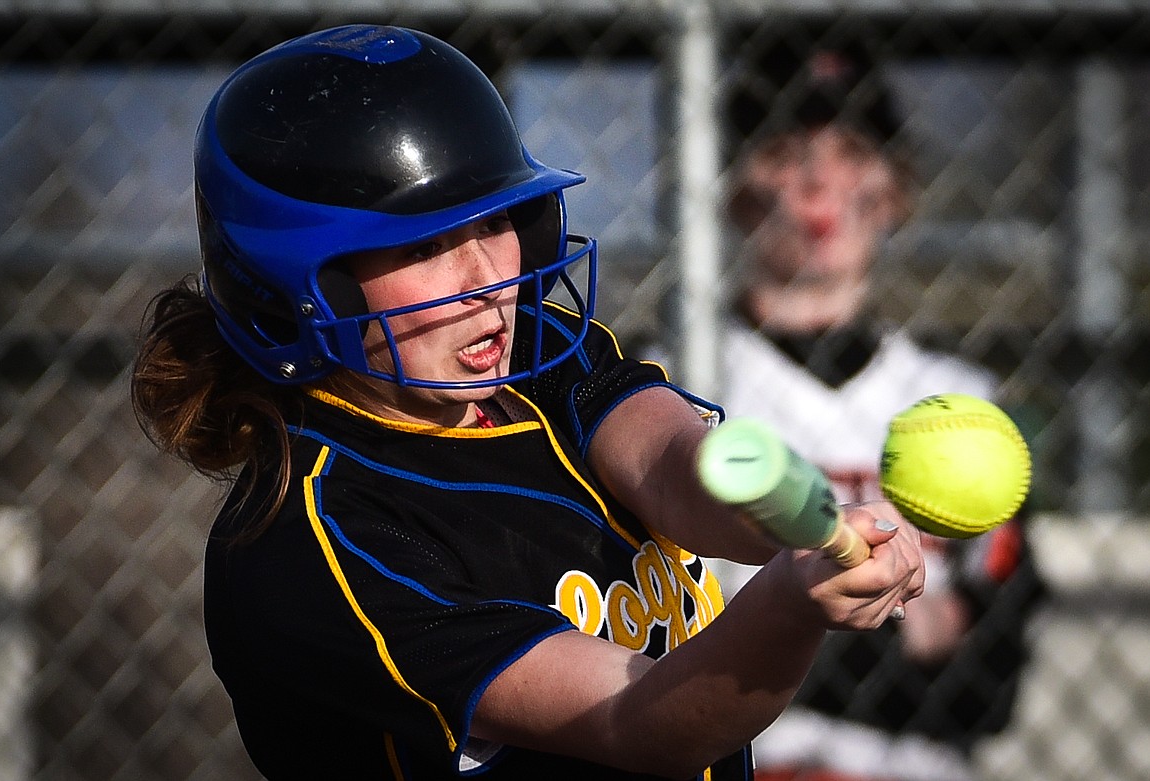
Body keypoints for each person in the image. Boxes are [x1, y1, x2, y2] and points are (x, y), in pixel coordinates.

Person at [129, 25, 923, 781]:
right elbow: (641, 724)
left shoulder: (536, 356)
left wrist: (801, 518)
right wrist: (792, 603)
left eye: (498, 222)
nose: (488, 280)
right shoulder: (316, 542)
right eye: (425, 247)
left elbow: (676, 473)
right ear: (298, 289)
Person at [709, 38, 1044, 781]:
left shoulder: (966, 401)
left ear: (895, 192)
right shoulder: (672, 387)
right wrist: (916, 633)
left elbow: (991, 688)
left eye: (854, 150)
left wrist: (766, 635)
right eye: (788, 149)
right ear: (736, 190)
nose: (821, 179)